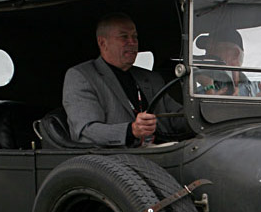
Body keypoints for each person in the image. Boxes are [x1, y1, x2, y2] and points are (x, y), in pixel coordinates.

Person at [63, 13, 189, 147]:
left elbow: (177, 117)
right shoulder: (82, 76)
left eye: (135, 37)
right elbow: (86, 132)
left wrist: (207, 109)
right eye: (124, 37)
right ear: (102, 43)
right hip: (118, 159)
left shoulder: (151, 78)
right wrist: (131, 130)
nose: (132, 42)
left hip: (165, 150)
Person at [200, 29, 261, 98]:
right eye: (207, 51)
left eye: (215, 50)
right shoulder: (200, 91)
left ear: (235, 54)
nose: (207, 55)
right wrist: (209, 92)